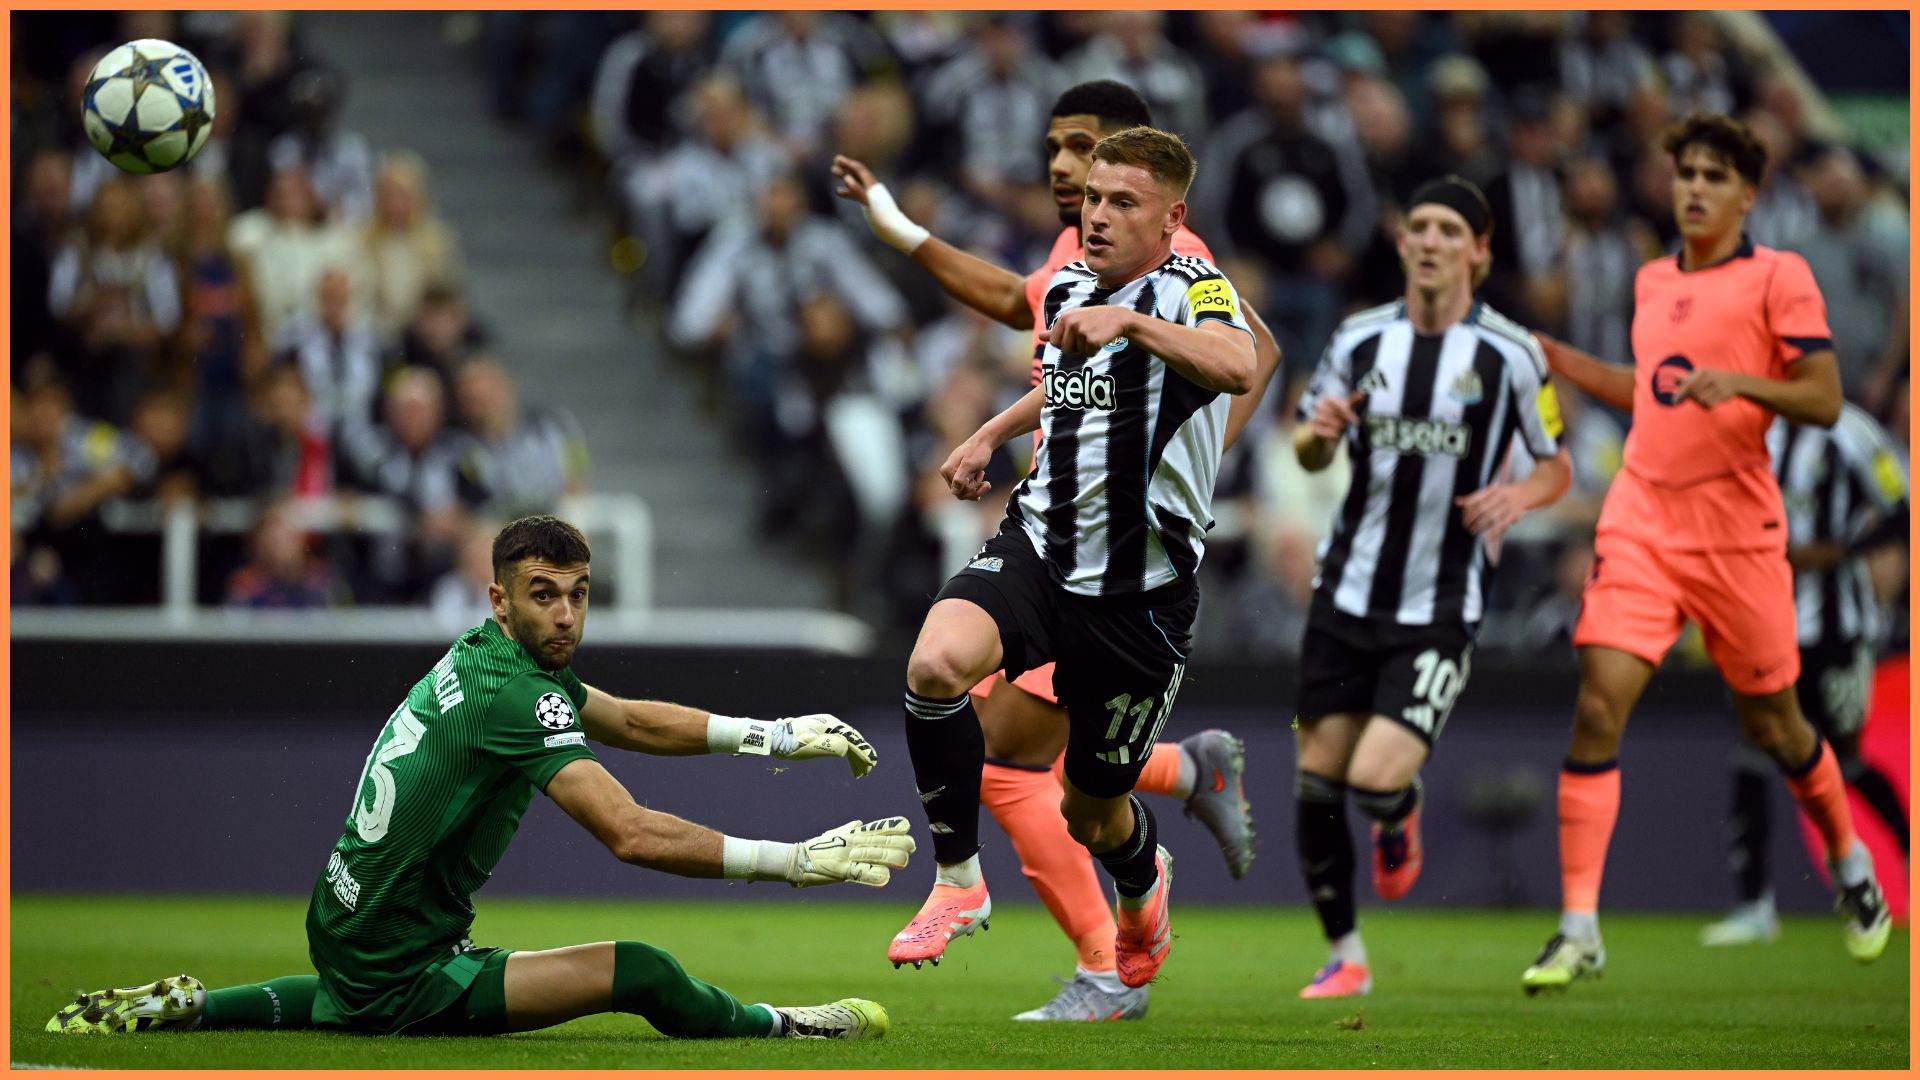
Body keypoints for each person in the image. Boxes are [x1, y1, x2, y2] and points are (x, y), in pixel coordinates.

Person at [46, 515, 911, 1041]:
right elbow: (631, 833)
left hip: (350, 919)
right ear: (501, 599)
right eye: (544, 595)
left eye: (577, 594)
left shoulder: (490, 658)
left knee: (359, 997)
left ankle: (201, 1006)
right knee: (644, 969)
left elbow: (635, 721)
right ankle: (782, 1025)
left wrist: (778, 734)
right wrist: (793, 860)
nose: (565, 614)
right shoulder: (515, 695)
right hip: (401, 951)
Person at [833, 80, 1278, 1021]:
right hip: (1043, 544)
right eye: (1073, 167)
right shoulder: (1073, 273)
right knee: (936, 666)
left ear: (1168, 214)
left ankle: (1140, 886)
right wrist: (990, 432)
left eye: (1109, 183)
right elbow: (1054, 360)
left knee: (1086, 807)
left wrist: (1180, 440)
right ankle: (963, 881)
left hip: (1140, 592)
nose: (1080, 190)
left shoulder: (1190, 276)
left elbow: (1246, 362)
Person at [1520, 113, 1892, 993]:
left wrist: (1745, 382)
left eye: (1714, 176)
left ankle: (1850, 868)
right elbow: (1652, 397)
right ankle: (1579, 928)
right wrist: (1562, 359)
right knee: (1601, 703)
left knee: (1778, 726)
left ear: (1747, 194)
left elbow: (1826, 398)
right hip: (1645, 519)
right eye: (1685, 172)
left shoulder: (1780, 276)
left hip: (1738, 535)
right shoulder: (1654, 281)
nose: (1693, 188)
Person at [1288, 176, 1572, 999]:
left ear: (1480, 250)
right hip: (1345, 593)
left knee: (1373, 779)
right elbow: (1310, 446)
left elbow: (1556, 465)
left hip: (1441, 604)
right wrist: (1318, 436)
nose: (1433, 240)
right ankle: (1345, 953)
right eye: (1420, 226)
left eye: (1452, 228)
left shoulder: (1512, 354)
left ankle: (1397, 810)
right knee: (1316, 775)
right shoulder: (1359, 339)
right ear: (1403, 241)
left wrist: (1519, 495)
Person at [1701, 402, 1910, 945]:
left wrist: (1843, 551)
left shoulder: (1851, 431)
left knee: (1847, 759)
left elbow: (1904, 506)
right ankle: (1753, 904)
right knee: (1752, 749)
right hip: (1765, 621)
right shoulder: (1751, 428)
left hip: (1837, 626)